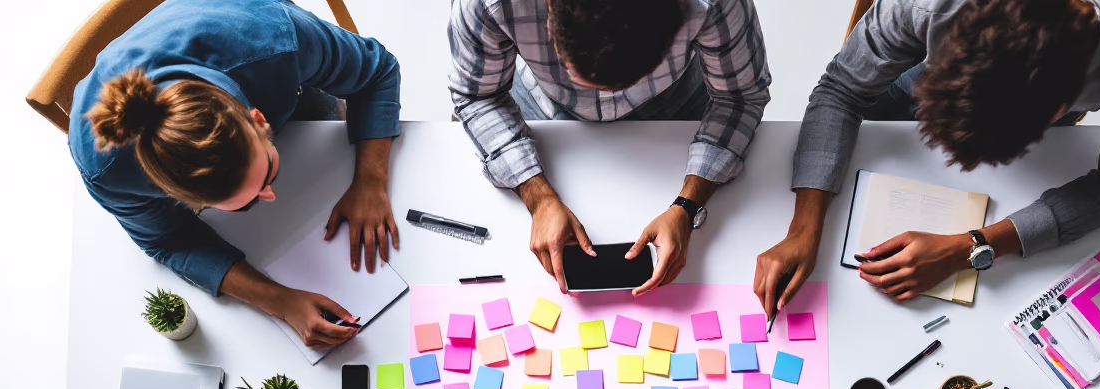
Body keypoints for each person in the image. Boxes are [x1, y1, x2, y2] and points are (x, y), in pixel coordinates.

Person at [754, 0, 1100, 312]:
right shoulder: (929, 4)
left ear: (1060, 109)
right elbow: (843, 89)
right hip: (903, 83)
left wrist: (972, 246)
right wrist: (804, 230)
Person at [72, 0, 403, 349]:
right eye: (240, 204)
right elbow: (166, 239)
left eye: (268, 174)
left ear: (259, 119)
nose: (273, 196)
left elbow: (377, 71)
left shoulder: (278, 41)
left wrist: (370, 180)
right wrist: (279, 300)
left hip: (259, 54)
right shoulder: (107, 171)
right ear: (181, 199)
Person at [449, 0, 770, 294]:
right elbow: (479, 96)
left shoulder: (715, 3)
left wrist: (687, 207)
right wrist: (539, 197)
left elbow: (739, 97)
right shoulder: (489, 4)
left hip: (677, 104)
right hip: (544, 109)